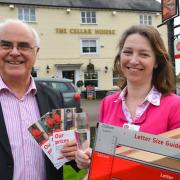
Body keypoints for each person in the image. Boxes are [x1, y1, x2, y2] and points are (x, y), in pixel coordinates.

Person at [75, 24, 180, 170]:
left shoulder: (175, 106)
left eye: (143, 54)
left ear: (156, 62)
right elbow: (104, 157)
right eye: (128, 52)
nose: (133, 60)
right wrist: (90, 159)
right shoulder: (108, 103)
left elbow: (175, 167)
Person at [0, 19, 77, 180]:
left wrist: (77, 151)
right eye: (6, 45)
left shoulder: (54, 97)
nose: (14, 52)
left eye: (23, 46)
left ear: (36, 52)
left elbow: (68, 156)